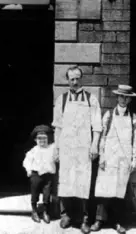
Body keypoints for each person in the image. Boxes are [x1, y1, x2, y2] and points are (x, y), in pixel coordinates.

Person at [52, 65, 102, 233]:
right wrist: (56, 149)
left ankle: (85, 219)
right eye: (71, 79)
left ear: (82, 79)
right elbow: (57, 127)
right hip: (66, 148)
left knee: (84, 182)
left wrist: (95, 145)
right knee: (65, 181)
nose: (74, 82)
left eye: (77, 79)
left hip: (83, 148)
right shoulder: (62, 100)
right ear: (68, 80)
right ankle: (65, 215)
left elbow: (97, 126)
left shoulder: (91, 99)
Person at [90, 85, 136, 234]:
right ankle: (99, 220)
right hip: (109, 159)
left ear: (130, 99)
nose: (124, 100)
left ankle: (117, 222)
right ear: (117, 97)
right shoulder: (109, 116)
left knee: (119, 192)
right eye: (121, 96)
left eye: (127, 97)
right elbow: (102, 137)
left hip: (123, 160)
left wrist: (134, 159)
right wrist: (102, 156)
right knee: (104, 190)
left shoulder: (133, 118)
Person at [22, 125, 57, 224]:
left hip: (48, 176)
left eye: (44, 138)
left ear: (48, 139)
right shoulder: (33, 151)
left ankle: (46, 212)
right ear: (35, 140)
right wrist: (28, 170)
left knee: (47, 194)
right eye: (39, 138)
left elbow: (57, 149)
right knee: (35, 192)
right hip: (36, 175)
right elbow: (26, 161)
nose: (42, 140)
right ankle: (34, 211)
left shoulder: (52, 148)